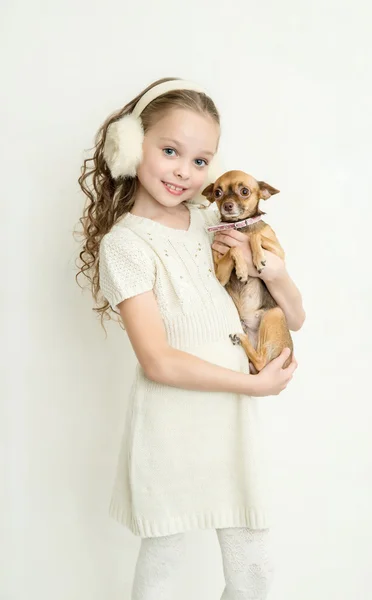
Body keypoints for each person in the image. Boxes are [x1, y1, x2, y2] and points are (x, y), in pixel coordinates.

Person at [76, 77, 305, 599]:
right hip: (171, 429)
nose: (185, 170)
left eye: (201, 161)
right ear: (131, 147)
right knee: (165, 564)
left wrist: (271, 272)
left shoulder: (213, 220)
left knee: (254, 569)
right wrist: (253, 386)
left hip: (231, 423)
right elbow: (157, 361)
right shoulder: (127, 246)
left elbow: (295, 313)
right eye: (170, 150)